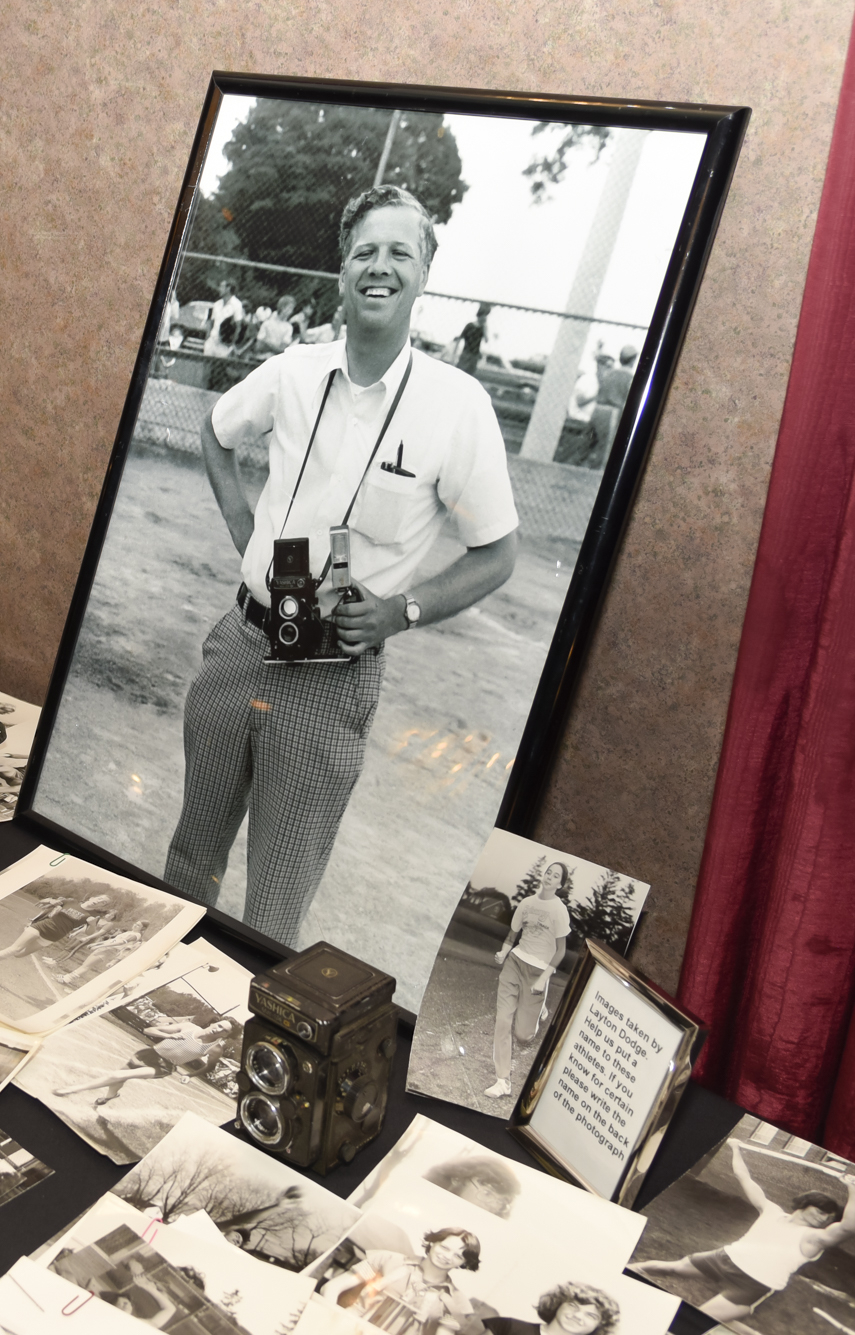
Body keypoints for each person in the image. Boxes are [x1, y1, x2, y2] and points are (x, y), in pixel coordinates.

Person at [162, 185, 520, 944]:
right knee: (190, 863)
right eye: (365, 251)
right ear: (342, 270)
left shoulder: (456, 407)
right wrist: (243, 524)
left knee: (275, 900)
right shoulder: (295, 370)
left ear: (424, 272)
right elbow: (217, 432)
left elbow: (498, 552)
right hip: (242, 643)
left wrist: (404, 610)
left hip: (334, 674)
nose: (380, 267)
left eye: (400, 252)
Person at [632, 1142, 855, 1321]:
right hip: (724, 1259)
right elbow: (744, 1178)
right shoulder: (771, 1211)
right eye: (823, 1210)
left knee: (696, 1320)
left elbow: (848, 1227)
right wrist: (735, 1148)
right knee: (667, 1267)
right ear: (807, 1203)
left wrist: (854, 1190)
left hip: (752, 1284)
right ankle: (623, 1269)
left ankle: (740, 1314)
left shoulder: (814, 1239)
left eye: (829, 1218)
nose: (824, 1218)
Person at [485, 862, 572, 1100]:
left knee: (523, 1036)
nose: (550, 877)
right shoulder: (526, 903)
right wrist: (504, 953)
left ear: (560, 884)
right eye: (548, 872)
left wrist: (544, 979)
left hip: (538, 972)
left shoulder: (559, 910)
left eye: (556, 876)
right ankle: (503, 1081)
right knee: (503, 1020)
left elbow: (561, 951)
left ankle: (539, 1005)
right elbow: (512, 935)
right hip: (515, 963)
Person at [321, 1226, 482, 1335]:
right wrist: (329, 1323)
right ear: (433, 1242)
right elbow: (332, 1287)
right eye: (444, 1247)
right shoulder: (385, 1260)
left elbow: (445, 1332)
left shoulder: (456, 1301)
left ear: (466, 1263)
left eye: (458, 1256)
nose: (447, 1256)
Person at [53, 1015, 239, 1106]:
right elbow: (148, 1030)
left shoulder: (215, 1048)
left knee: (117, 1075)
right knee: (119, 1080)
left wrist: (190, 1075)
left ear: (227, 1035)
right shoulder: (188, 1027)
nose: (218, 1029)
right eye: (219, 1025)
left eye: (224, 1030)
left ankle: (71, 1090)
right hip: (147, 1054)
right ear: (215, 1022)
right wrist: (167, 1035)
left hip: (163, 1066)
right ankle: (110, 1097)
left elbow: (210, 1067)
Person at [0, 893, 114, 978]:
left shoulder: (93, 915)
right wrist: (51, 901)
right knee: (14, 949)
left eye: (103, 902)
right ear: (94, 896)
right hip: (41, 926)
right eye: (100, 898)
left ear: (102, 906)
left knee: (19, 954)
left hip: (53, 936)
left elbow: (89, 933)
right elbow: (51, 901)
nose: (99, 901)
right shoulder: (71, 901)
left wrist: (93, 924)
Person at [482, 1282, 620, 1335]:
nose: (578, 1316)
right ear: (557, 1305)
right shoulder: (509, 1327)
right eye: (573, 1306)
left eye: (591, 1315)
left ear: (600, 1326)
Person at [586, 344, 638, 469]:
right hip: (612, 412)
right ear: (632, 360)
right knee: (605, 448)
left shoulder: (609, 372)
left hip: (597, 409)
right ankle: (598, 475)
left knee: (590, 442)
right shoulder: (630, 377)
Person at [453, 304, 493, 377]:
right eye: (484, 315)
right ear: (479, 315)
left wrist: (485, 328)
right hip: (466, 353)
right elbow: (460, 338)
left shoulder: (483, 328)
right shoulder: (469, 326)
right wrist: (454, 354)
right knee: (459, 373)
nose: (485, 318)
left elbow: (486, 340)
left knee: (469, 376)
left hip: (474, 355)